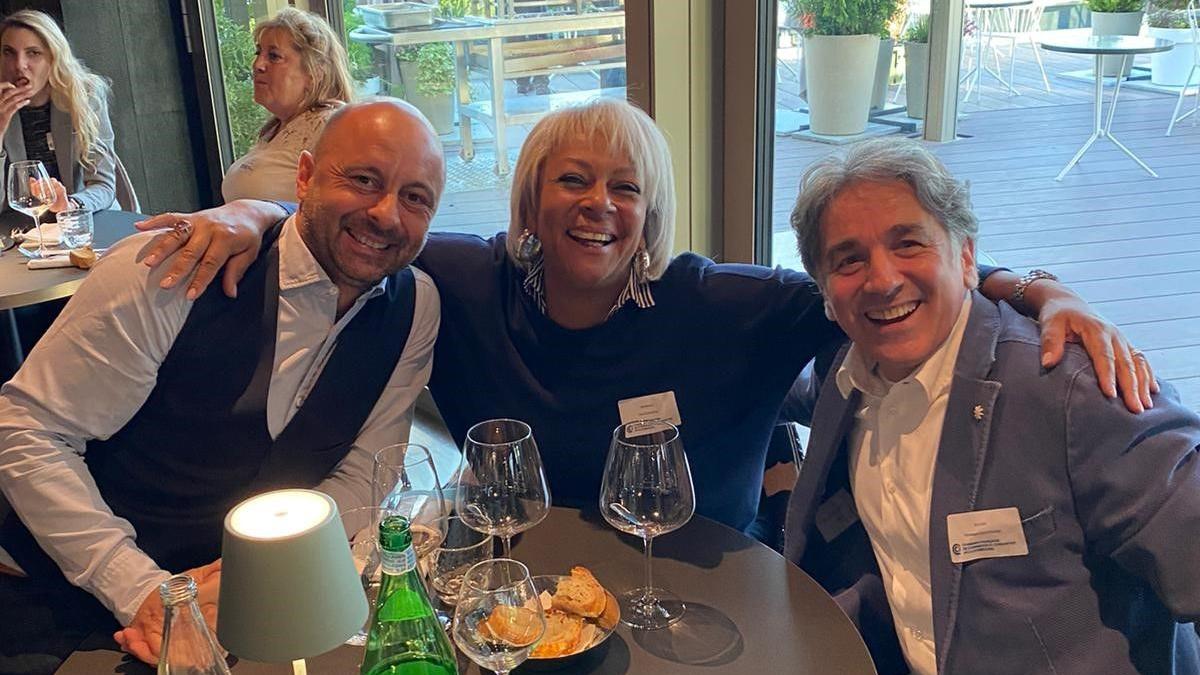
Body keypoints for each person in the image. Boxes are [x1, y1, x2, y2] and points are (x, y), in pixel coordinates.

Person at [134, 98, 1153, 537]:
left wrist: (1045, 292)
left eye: (626, 187)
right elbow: (360, 225)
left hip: (714, 581)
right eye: (572, 180)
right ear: (532, 200)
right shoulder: (469, 281)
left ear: (651, 212)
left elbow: (884, 278)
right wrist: (255, 214)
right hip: (525, 575)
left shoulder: (722, 304)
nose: (599, 205)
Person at [0, 98, 443, 673]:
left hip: (247, 609)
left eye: (415, 198)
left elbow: (365, 473)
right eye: (363, 180)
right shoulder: (168, 269)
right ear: (305, 177)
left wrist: (254, 574)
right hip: (60, 598)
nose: (386, 214)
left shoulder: (414, 307)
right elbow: (28, 431)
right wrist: (142, 591)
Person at [784, 138, 1200, 675]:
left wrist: (1041, 289)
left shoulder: (1071, 389)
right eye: (849, 259)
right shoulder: (843, 378)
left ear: (965, 257)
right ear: (824, 290)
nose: (882, 280)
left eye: (908, 243)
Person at [220, 7, 354, 203]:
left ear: (315, 72)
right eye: (258, 52)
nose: (257, 65)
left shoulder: (331, 125)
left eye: (274, 56)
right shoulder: (273, 130)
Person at [0, 9, 116, 214]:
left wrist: (70, 205)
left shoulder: (84, 94)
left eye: (33, 53)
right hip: (22, 224)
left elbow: (103, 185)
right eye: (8, 52)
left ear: (53, 58)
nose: (19, 65)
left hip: (83, 215)